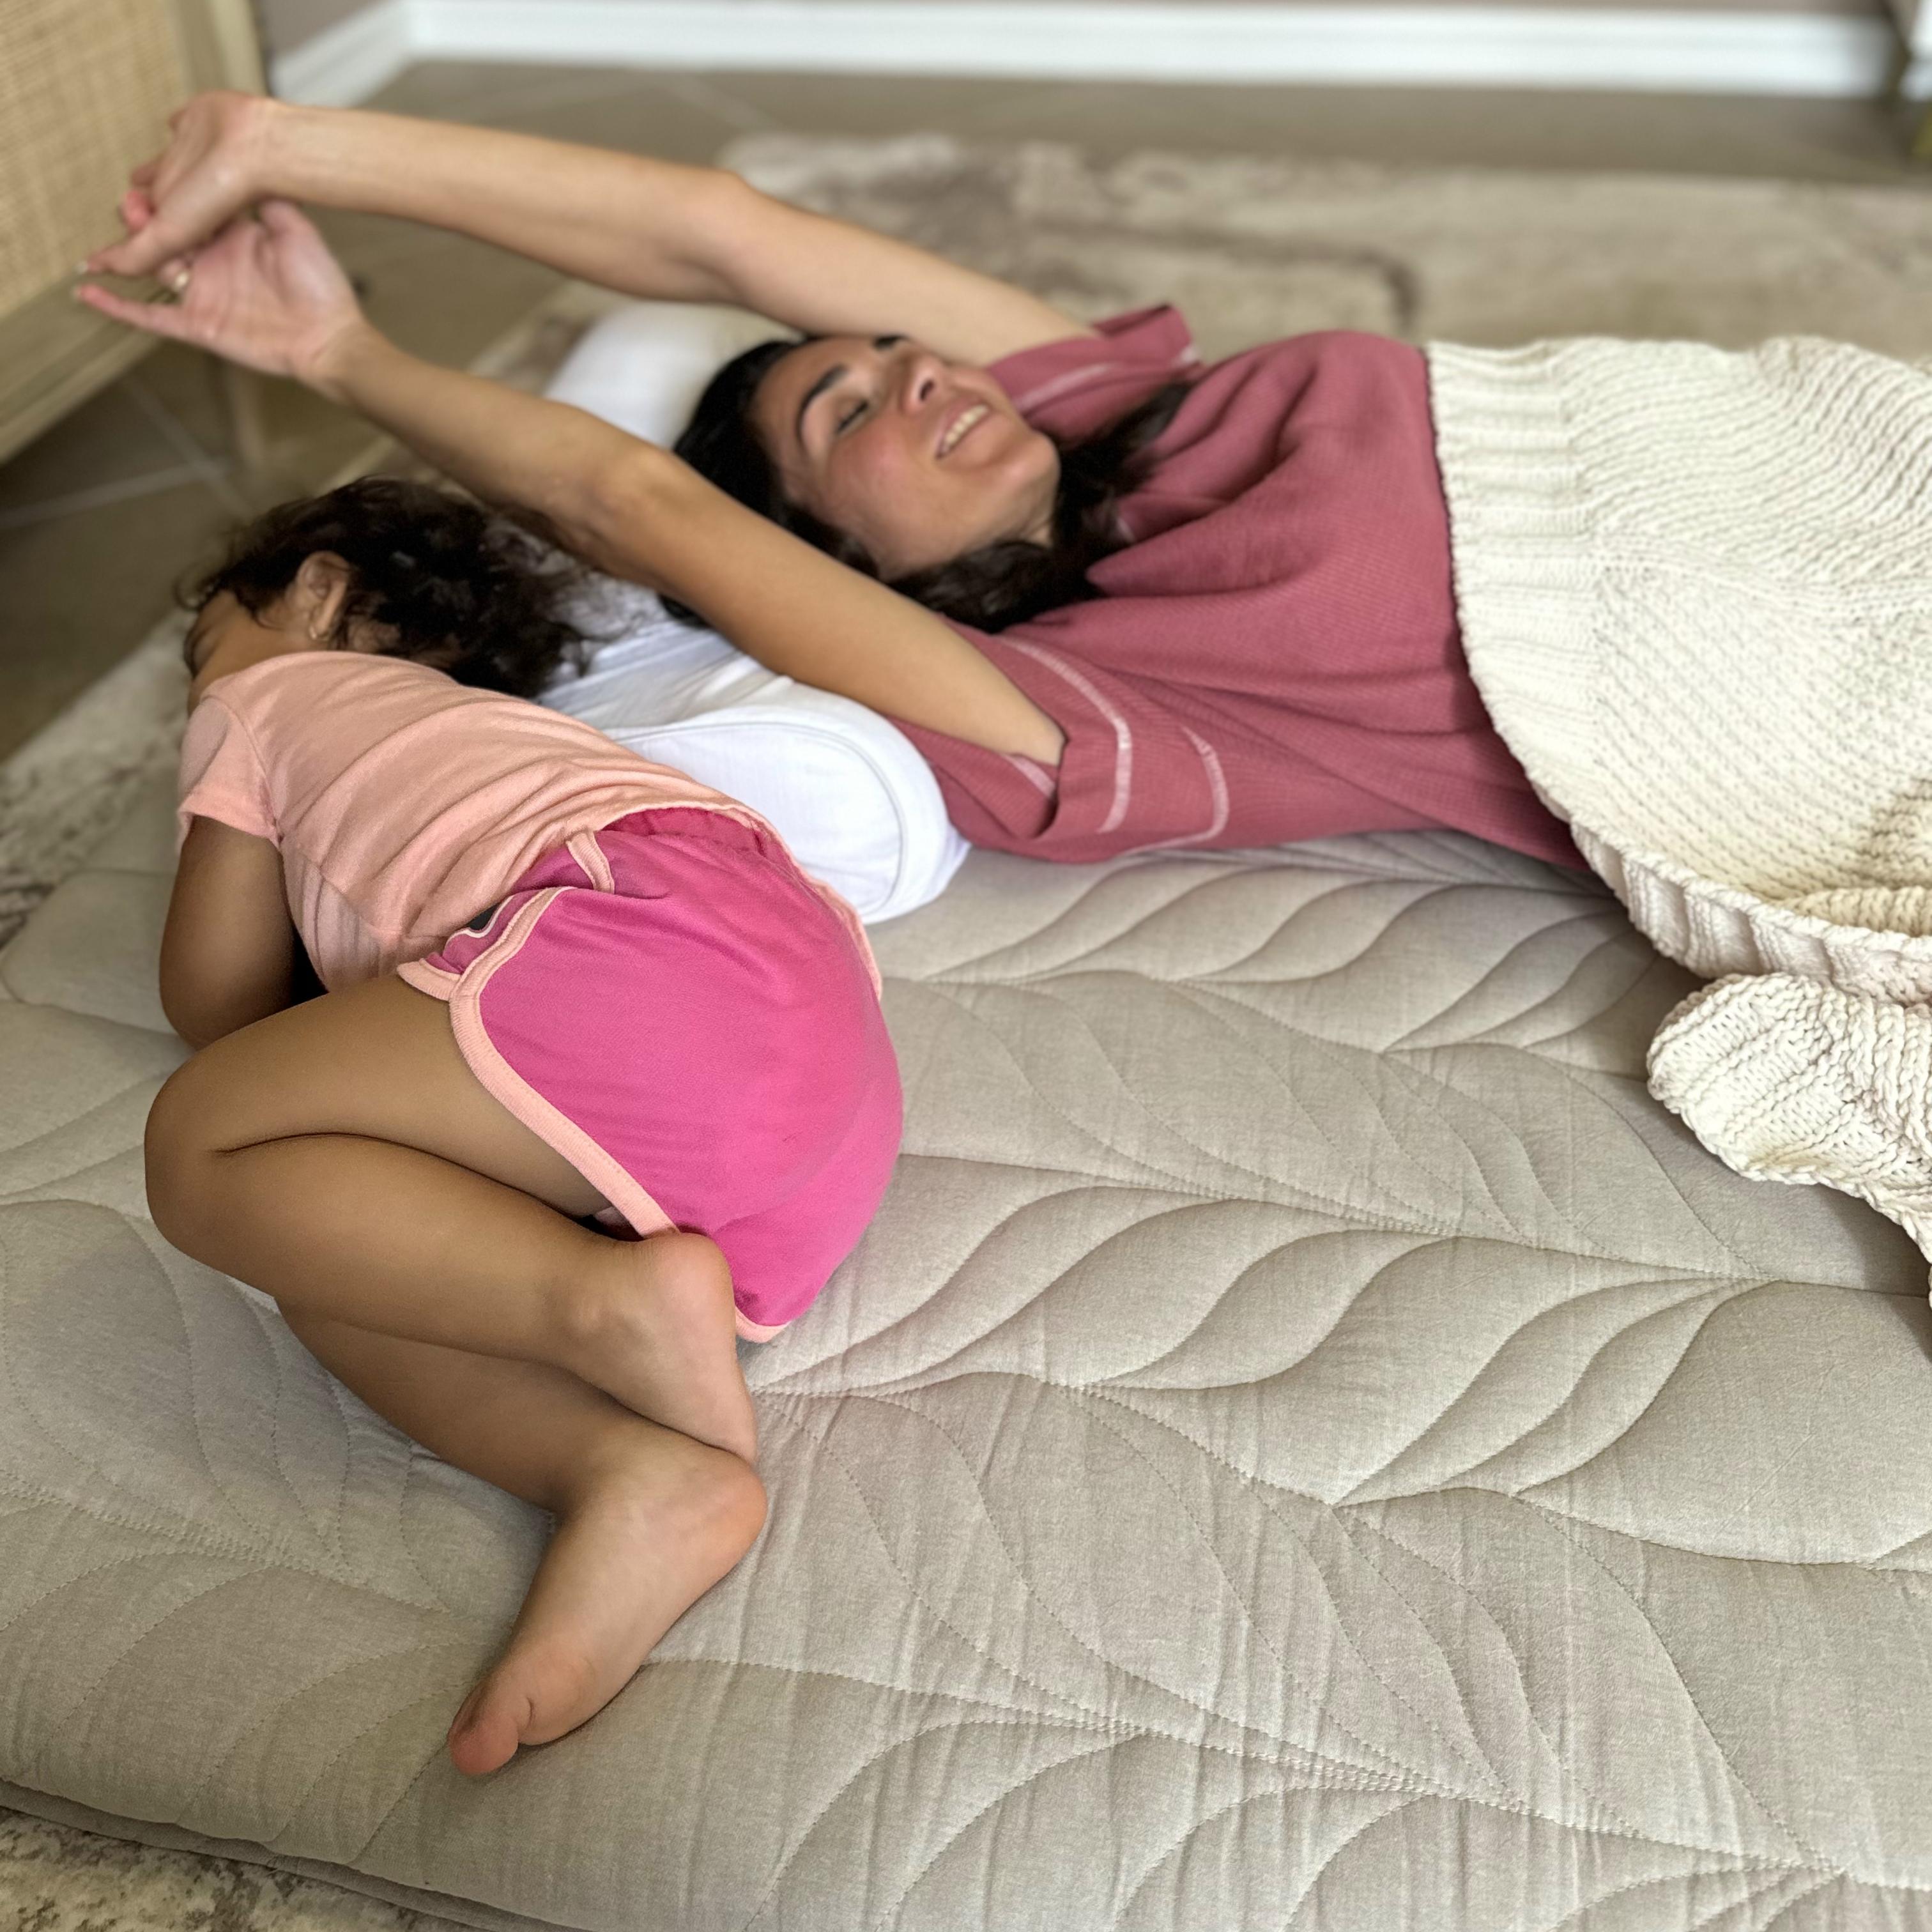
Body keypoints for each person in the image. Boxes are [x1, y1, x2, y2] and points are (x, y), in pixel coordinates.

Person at [77, 90, 1584, 873]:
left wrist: (285, 142)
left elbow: (720, 230)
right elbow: (630, 501)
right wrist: (338, 352)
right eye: (846, 408)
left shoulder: (1127, 411)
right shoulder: (1087, 703)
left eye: (902, 353)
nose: (926, 370)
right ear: (833, 563)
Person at [142, 475, 902, 1775]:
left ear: (317, 595)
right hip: (826, 1072)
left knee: (204, 1145)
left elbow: (214, 1002)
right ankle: (631, 1475)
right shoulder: (502, 745)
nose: (199, 694)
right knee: (341, 1269)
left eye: (210, 641)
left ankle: (599, 1304)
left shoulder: (261, 701)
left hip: (628, 951)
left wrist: (223, 735)